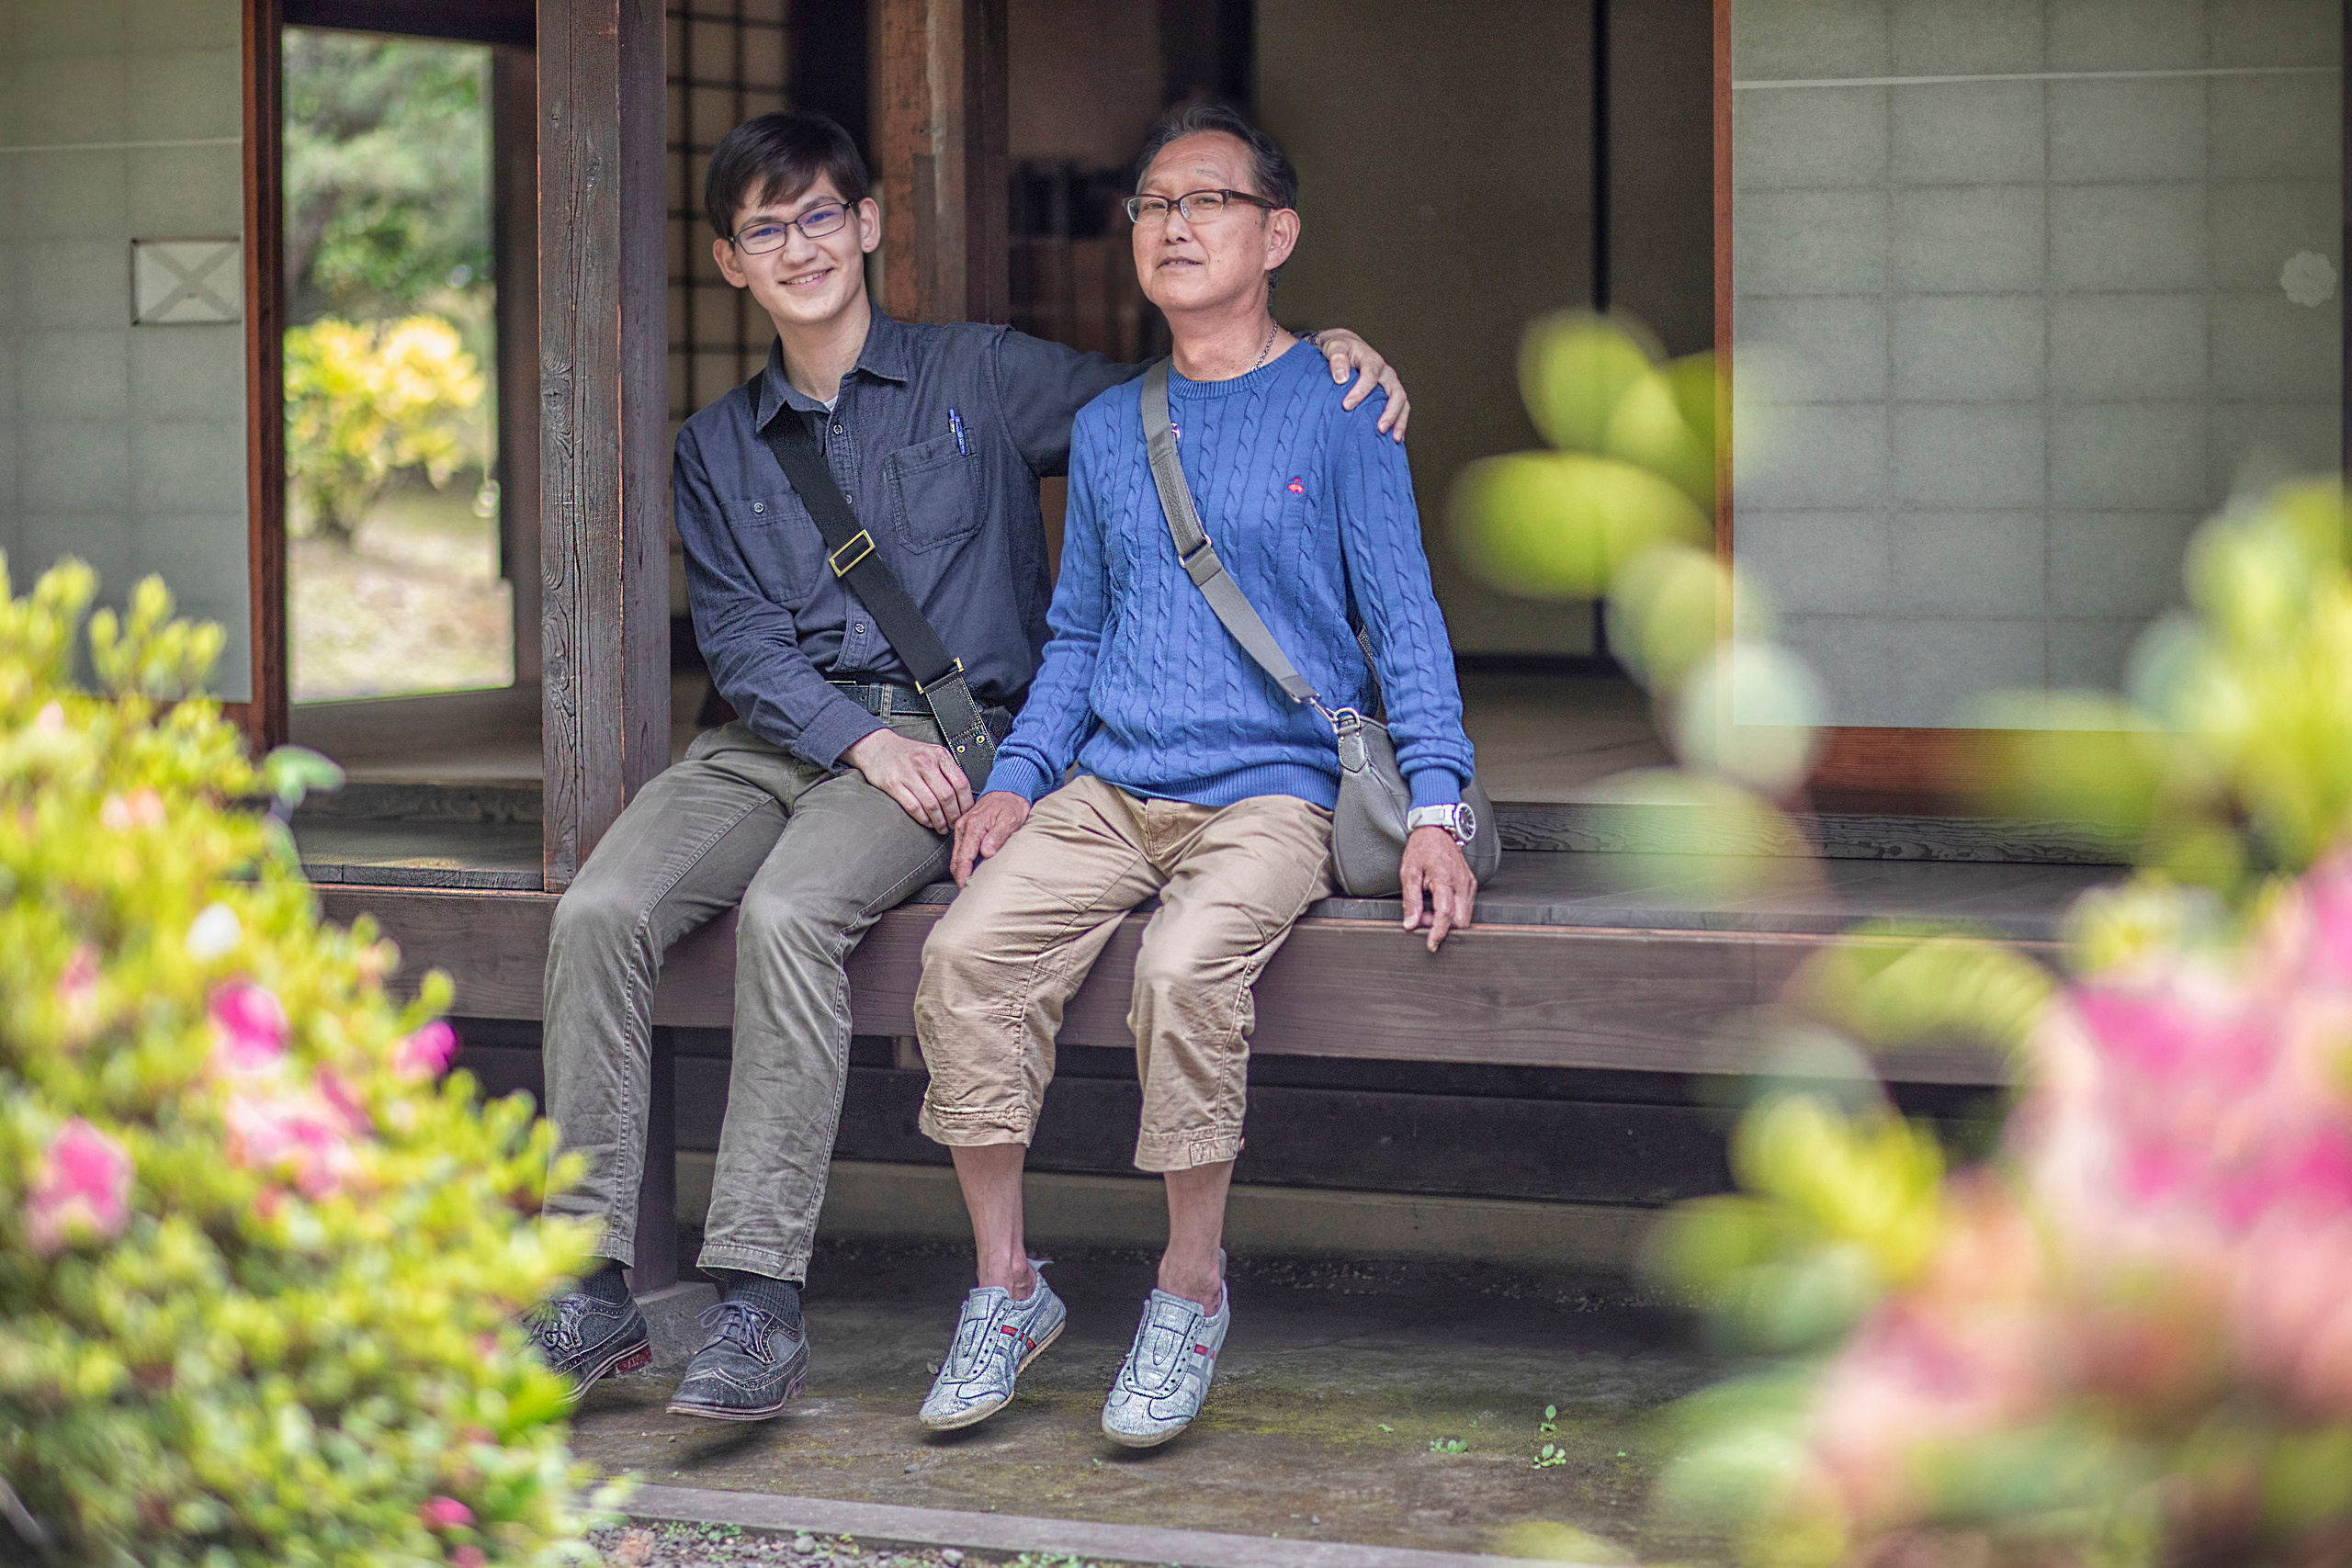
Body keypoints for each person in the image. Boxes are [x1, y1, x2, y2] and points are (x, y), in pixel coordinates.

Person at [526, 108, 1413, 1424]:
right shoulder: (716, 447)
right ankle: (591, 1281)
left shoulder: (981, 376)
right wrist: (856, 741)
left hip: (947, 747)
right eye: (767, 230)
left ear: (869, 224)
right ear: (730, 261)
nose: (801, 246)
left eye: (822, 215)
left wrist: (1331, 350)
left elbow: (1178, 388)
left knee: (788, 916)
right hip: (775, 744)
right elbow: (746, 645)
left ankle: (758, 1298)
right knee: (597, 909)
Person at [910, 103, 1480, 1448]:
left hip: (1272, 793)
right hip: (1108, 785)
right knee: (967, 956)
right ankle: (1005, 1288)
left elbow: (1405, 624)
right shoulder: (1115, 428)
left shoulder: (1343, 408)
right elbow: (1079, 633)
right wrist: (1019, 776)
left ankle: (1188, 1286)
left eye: (1208, 202)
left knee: (1179, 975)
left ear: (1276, 234)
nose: (1173, 226)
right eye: (1154, 206)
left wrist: (1439, 808)